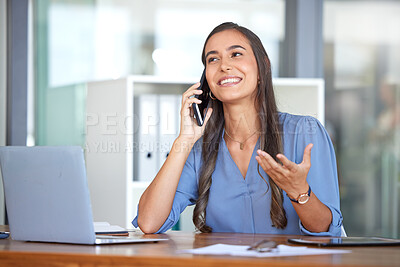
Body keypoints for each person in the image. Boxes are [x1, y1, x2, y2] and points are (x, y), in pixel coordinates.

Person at [132, 22, 343, 236]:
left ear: (263, 68)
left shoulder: (304, 132)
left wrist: (299, 191)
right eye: (212, 59)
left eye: (235, 54)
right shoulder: (200, 149)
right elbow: (149, 223)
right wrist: (184, 141)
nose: (224, 65)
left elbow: (325, 231)